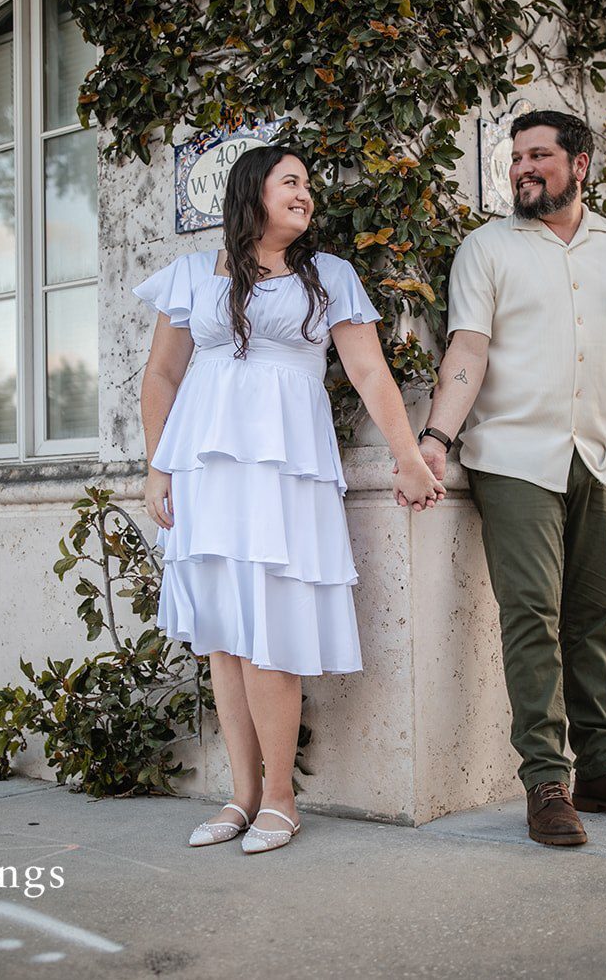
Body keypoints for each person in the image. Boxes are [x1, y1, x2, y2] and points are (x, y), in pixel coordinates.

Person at [135, 144, 445, 854]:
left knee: (269, 628)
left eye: (308, 184)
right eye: (290, 182)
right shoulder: (192, 274)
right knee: (221, 633)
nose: (305, 194)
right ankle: (240, 797)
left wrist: (408, 457)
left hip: (284, 473)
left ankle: (281, 798)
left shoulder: (328, 274)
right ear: (253, 192)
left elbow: (369, 372)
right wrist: (157, 468)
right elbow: (161, 376)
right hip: (207, 471)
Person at [416, 109, 606, 847]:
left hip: (598, 459)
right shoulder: (487, 248)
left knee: (593, 615)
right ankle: (546, 781)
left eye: (539, 155)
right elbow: (468, 349)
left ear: (581, 165)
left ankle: (603, 769)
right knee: (532, 615)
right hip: (513, 460)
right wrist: (436, 437)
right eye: (516, 158)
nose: (523, 169)